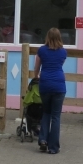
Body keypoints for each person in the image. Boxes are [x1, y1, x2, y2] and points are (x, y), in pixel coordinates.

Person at [32, 27, 67, 155]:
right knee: (56, 116)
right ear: (59, 37)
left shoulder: (41, 50)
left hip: (45, 84)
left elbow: (36, 67)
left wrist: (36, 76)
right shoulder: (63, 52)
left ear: (47, 36)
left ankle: (42, 140)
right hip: (59, 85)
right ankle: (53, 147)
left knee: (46, 113)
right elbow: (59, 65)